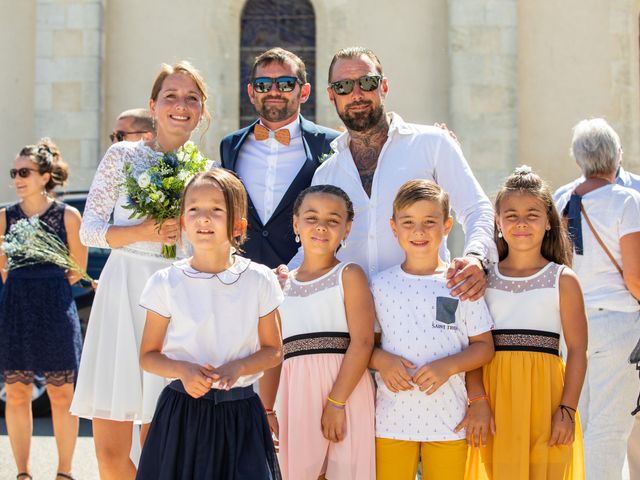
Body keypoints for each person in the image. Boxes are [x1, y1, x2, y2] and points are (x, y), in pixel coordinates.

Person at [70, 61, 211, 479]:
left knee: (162, 443)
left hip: (176, 302)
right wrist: (143, 230)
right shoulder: (123, 156)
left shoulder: (205, 172)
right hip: (122, 292)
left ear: (202, 111)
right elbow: (90, 232)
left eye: (192, 98)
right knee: (111, 448)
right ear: (154, 105)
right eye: (171, 96)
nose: (181, 106)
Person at [288, 47, 496, 301]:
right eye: (343, 87)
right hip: (352, 322)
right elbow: (313, 247)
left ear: (383, 87)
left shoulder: (433, 143)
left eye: (367, 82)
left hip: (426, 307)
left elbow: (477, 209)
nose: (356, 94)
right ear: (332, 96)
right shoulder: (326, 174)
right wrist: (285, 275)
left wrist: (477, 258)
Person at [135, 169, 282, 479]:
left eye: (217, 209)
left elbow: (273, 351)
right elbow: (148, 356)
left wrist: (238, 367)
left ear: (238, 225)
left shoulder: (259, 279)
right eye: (194, 209)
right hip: (182, 413)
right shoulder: (165, 282)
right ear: (183, 222)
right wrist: (183, 371)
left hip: (241, 412)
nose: (204, 218)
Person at [467, 166, 588, 479]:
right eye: (511, 215)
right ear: (497, 222)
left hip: (547, 403)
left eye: (532, 214)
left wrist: (567, 411)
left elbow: (577, 350)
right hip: (494, 403)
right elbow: (472, 347)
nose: (521, 223)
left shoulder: (563, 280)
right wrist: (477, 399)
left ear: (549, 221)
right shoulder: (484, 280)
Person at [368, 180, 494, 480]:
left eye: (429, 222)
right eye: (408, 222)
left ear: (447, 225)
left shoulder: (460, 282)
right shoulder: (378, 285)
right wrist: (382, 361)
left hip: (450, 422)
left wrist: (447, 366)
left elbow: (484, 346)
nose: (419, 231)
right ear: (393, 227)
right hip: (390, 422)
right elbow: (364, 345)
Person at [261, 185, 376, 479]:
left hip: (345, 390)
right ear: (296, 223)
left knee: (346, 470)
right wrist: (266, 409)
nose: (321, 227)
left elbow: (362, 343)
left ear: (347, 229)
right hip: (295, 394)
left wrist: (336, 403)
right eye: (311, 218)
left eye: (333, 220)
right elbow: (274, 352)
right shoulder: (279, 284)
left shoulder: (349, 275)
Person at [555, 118, 640, 480]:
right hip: (616, 323)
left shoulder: (560, 198)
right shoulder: (627, 200)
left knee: (580, 424)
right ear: (616, 156)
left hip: (569, 325)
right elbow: (635, 275)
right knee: (610, 429)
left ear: (578, 159)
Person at [0, 139, 86, 480]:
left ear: (45, 175)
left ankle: (64, 472)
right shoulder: (4, 217)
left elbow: (77, 269)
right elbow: (3, 267)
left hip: (55, 306)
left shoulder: (68, 215)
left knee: (62, 393)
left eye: (25, 172)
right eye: (14, 173)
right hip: (17, 307)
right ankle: (23, 472)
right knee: (17, 392)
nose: (18, 179)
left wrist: (47, 286)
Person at [220, 47, 340, 268]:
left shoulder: (331, 144)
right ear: (251, 92)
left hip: (306, 275)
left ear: (303, 92)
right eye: (263, 84)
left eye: (285, 84)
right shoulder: (230, 146)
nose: (273, 91)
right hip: (242, 277)